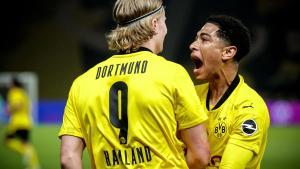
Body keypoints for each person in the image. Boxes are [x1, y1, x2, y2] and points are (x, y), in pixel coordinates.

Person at [58, 0, 210, 168]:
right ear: (154, 24)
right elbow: (200, 155)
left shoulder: (82, 83)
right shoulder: (172, 74)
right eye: (164, 22)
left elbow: (68, 157)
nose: (166, 30)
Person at [189, 15, 270, 169]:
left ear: (228, 52)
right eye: (195, 38)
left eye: (204, 39)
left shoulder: (250, 109)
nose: (192, 45)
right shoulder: (189, 95)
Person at [5, 77, 40, 169]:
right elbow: (30, 107)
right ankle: (34, 165)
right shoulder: (23, 93)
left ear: (13, 84)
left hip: (17, 123)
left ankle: (25, 153)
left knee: (7, 141)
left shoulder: (14, 92)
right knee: (26, 144)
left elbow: (17, 104)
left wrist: (9, 109)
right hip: (26, 121)